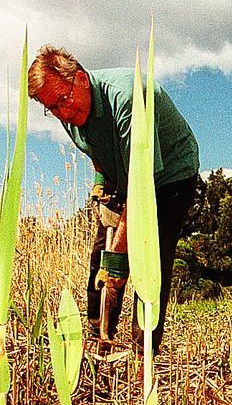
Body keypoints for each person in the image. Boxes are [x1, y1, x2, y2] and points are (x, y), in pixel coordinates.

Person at [28, 45, 199, 356]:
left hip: (169, 177)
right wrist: (100, 183)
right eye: (51, 108)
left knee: (147, 261)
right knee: (101, 261)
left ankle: (141, 354)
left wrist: (119, 260)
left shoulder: (127, 99)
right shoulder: (68, 108)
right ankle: (99, 342)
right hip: (121, 179)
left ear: (80, 78)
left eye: (63, 101)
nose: (62, 113)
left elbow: (142, 183)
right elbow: (96, 148)